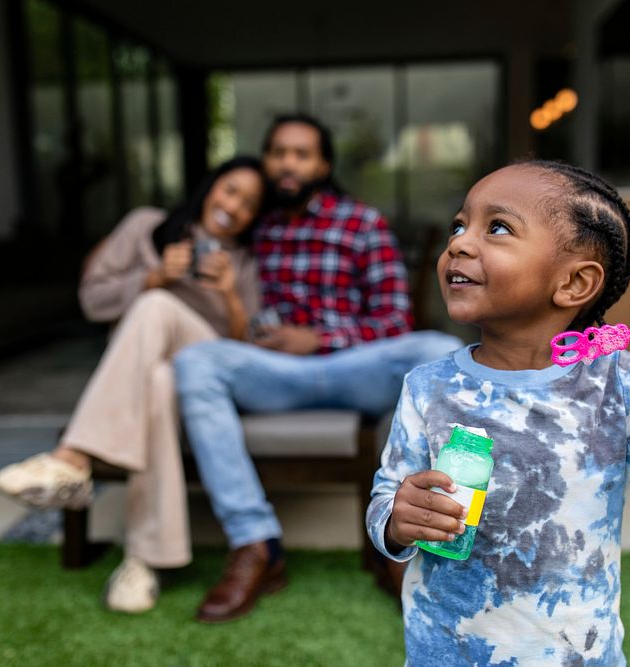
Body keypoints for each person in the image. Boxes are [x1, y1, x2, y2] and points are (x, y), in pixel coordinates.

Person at [367, 160, 630, 666]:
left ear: (574, 284)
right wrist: (399, 517)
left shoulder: (620, 383)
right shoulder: (428, 387)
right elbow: (384, 500)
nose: (459, 243)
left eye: (497, 228)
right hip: (447, 651)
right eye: (459, 225)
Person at [172, 113, 463, 623]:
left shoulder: (361, 223)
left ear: (323, 164)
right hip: (275, 371)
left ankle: (406, 534)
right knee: (197, 360)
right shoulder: (254, 226)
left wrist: (321, 339)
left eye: (301, 154)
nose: (287, 164)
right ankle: (255, 543)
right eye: (278, 152)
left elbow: (395, 319)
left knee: (435, 347)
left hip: (354, 368)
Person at [0, 156, 266, 614]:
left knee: (157, 306)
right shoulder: (146, 227)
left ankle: (73, 459)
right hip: (152, 379)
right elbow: (91, 301)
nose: (235, 206)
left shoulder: (245, 263)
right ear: (210, 187)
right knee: (157, 377)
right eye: (230, 190)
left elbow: (248, 349)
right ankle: (144, 560)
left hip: (208, 374)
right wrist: (153, 275)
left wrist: (229, 295)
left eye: (250, 204)